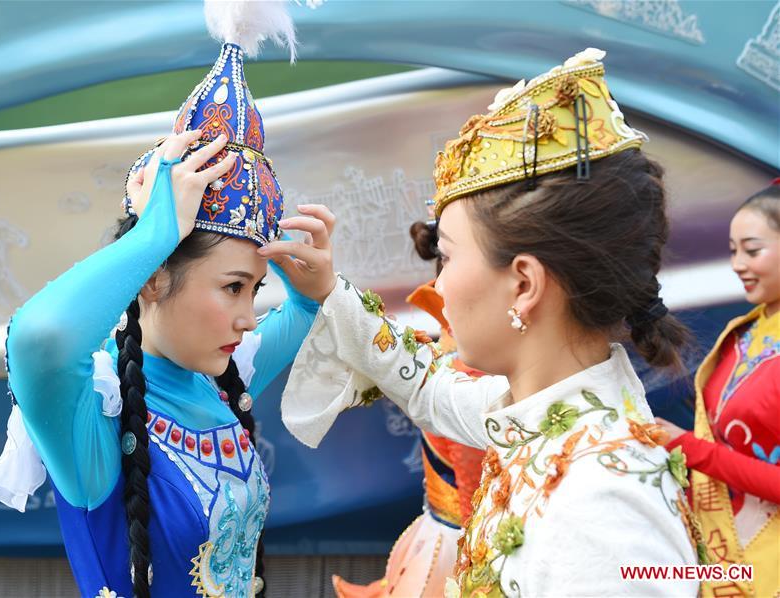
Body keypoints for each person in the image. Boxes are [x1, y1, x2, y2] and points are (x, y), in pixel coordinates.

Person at [271, 48, 703, 596]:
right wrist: (328, 291)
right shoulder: (547, 420)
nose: (439, 286)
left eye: (447, 259)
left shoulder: (601, 511)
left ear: (523, 284)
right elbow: (429, 385)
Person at [0, 11, 337, 596]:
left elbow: (300, 315)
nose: (249, 317)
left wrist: (308, 297)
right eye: (231, 288)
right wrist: (152, 238)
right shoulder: (97, 412)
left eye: (255, 290)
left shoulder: (222, 378)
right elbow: (38, 339)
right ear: (151, 281)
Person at [333, 221, 486, 598]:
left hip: (442, 534)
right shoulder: (465, 369)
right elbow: (472, 504)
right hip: (462, 543)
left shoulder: (450, 358)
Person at [656, 182, 780, 598]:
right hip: (727, 553)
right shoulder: (743, 333)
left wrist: (690, 449)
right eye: (732, 251)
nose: (738, 264)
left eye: (752, 250)